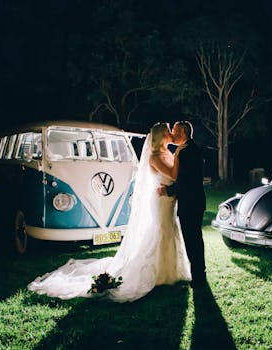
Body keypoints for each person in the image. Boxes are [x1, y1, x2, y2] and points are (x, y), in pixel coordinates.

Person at [27, 122, 191, 302]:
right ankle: (161, 273)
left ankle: (171, 270)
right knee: (162, 230)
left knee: (169, 230)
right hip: (161, 201)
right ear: (162, 136)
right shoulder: (155, 156)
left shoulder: (167, 152)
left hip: (168, 199)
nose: (171, 134)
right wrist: (180, 155)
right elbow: (174, 175)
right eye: (168, 131)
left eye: (172, 131)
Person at [158, 121, 207, 288]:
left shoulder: (187, 151)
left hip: (190, 203)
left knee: (192, 241)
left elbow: (185, 180)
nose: (172, 133)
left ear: (183, 133)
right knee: (195, 240)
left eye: (175, 131)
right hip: (194, 202)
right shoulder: (190, 149)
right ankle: (200, 275)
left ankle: (199, 278)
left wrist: (168, 191)